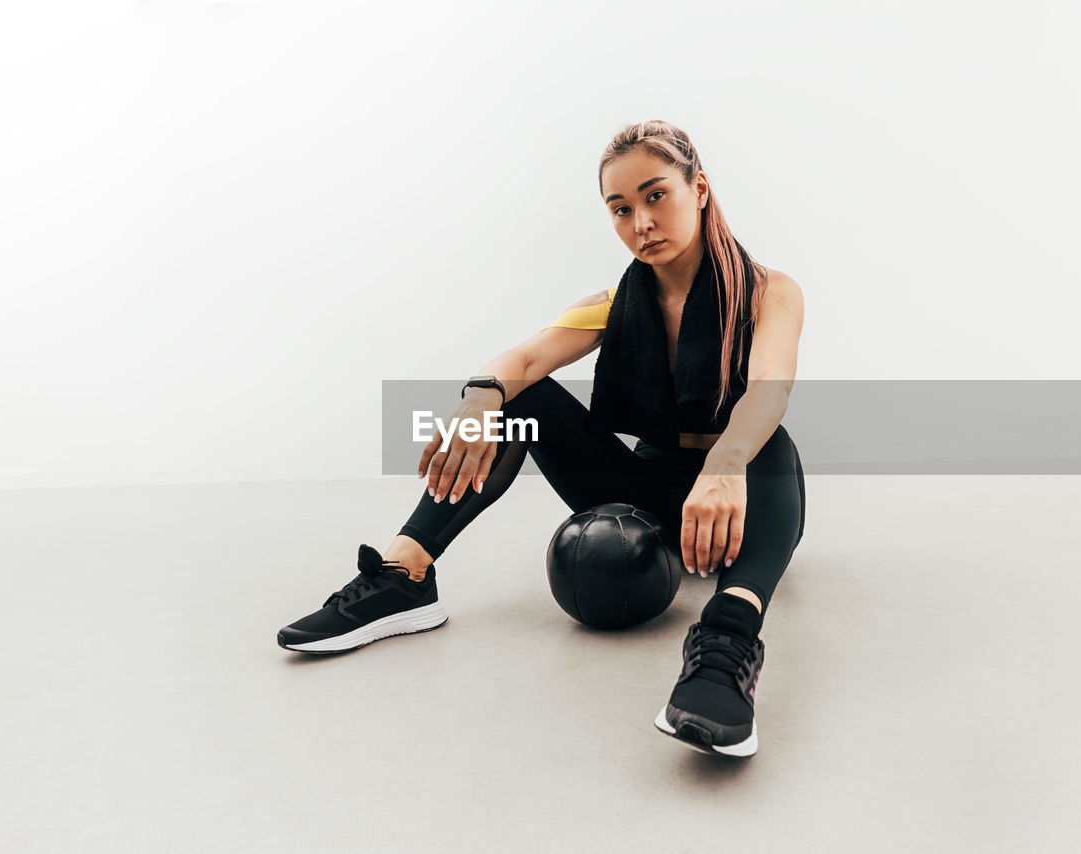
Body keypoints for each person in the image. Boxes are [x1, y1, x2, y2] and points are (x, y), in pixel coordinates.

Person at [277, 120, 806, 758]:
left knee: (771, 445)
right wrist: (478, 400)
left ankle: (725, 650)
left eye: (655, 194)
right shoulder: (616, 302)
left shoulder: (770, 291)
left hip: (743, 499)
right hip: (651, 491)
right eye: (621, 209)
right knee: (518, 398)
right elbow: (524, 361)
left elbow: (769, 391)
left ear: (699, 188)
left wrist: (725, 465)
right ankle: (405, 576)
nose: (640, 221)